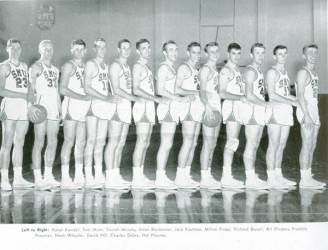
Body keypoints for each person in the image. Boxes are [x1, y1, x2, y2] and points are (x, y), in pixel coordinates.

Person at [155, 40, 193, 189]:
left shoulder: (172, 68)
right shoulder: (164, 68)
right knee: (166, 143)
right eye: (171, 50)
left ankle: (162, 176)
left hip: (173, 108)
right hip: (167, 109)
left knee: (168, 144)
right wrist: (180, 99)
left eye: (176, 49)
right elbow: (160, 90)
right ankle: (159, 177)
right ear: (164, 52)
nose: (174, 52)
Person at [131, 38, 167, 189]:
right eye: (143, 48)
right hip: (143, 106)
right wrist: (155, 99)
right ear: (138, 51)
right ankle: (136, 177)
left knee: (146, 143)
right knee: (141, 142)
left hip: (149, 106)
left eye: (148, 47)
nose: (147, 50)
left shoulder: (146, 67)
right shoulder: (138, 66)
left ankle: (140, 174)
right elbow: (136, 89)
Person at [0, 38, 34, 190]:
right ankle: (4, 179)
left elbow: (28, 90)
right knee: (7, 144)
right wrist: (21, 95)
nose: (15, 51)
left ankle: (19, 178)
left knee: (19, 143)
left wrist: (29, 102)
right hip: (10, 105)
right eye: (12, 48)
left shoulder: (25, 66)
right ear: (7, 49)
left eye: (18, 48)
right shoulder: (3, 66)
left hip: (22, 107)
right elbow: (1, 90)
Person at [105, 39, 138, 189]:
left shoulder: (126, 66)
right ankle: (109, 177)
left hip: (125, 106)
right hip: (117, 106)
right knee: (113, 142)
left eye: (127, 48)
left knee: (121, 143)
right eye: (123, 48)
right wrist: (134, 98)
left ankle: (116, 174)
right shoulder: (115, 65)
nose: (125, 50)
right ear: (118, 50)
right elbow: (116, 89)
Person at [83, 38, 116, 188]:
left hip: (103, 106)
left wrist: (110, 97)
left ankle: (98, 173)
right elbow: (87, 88)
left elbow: (107, 88)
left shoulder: (107, 66)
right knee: (91, 141)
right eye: (99, 47)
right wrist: (105, 98)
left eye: (104, 47)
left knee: (101, 141)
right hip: (92, 105)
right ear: (94, 48)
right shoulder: (91, 64)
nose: (102, 50)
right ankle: (88, 175)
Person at [28, 40, 60, 189]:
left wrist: (60, 111)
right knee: (39, 142)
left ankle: (48, 175)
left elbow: (57, 92)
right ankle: (37, 178)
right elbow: (30, 88)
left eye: (51, 49)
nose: (49, 51)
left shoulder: (55, 69)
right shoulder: (36, 67)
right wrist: (30, 106)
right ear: (40, 50)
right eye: (45, 49)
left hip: (53, 107)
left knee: (53, 142)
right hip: (41, 107)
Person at [59, 39, 91, 189]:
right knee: (69, 141)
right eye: (76, 49)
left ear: (85, 51)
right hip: (72, 106)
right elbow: (62, 89)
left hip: (84, 107)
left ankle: (79, 174)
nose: (78, 51)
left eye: (81, 49)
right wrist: (82, 97)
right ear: (71, 50)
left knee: (81, 142)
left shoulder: (87, 67)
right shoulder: (68, 66)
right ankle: (65, 178)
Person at [265, 45, 298, 188]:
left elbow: (285, 93)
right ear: (274, 56)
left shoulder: (285, 72)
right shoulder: (272, 72)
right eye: (280, 54)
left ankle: (278, 176)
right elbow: (271, 94)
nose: (283, 56)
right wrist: (292, 101)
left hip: (285, 110)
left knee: (281, 145)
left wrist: (297, 100)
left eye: (285, 54)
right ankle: (270, 178)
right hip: (275, 110)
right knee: (273, 145)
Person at [242, 43, 272, 189]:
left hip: (259, 109)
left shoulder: (259, 70)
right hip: (252, 110)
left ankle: (252, 175)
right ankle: (249, 178)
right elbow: (248, 94)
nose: (260, 56)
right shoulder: (250, 71)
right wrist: (265, 104)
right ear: (251, 55)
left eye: (262, 53)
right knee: (251, 143)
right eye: (257, 53)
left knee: (255, 144)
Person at [296, 44, 326, 189]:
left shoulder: (314, 73)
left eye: (315, 52)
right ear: (304, 55)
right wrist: (307, 115)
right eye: (310, 52)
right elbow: (300, 95)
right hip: (305, 111)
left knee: (312, 145)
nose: (313, 55)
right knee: (306, 144)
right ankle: (304, 179)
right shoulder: (303, 72)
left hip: (313, 111)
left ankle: (308, 176)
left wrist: (315, 115)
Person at [174, 42, 203, 188]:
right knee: (187, 142)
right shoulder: (184, 68)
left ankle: (186, 174)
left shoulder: (196, 69)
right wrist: (197, 93)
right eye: (193, 52)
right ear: (188, 53)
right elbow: (177, 89)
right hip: (188, 108)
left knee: (194, 143)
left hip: (197, 107)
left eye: (198, 53)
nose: (196, 55)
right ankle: (180, 176)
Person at [219, 43, 247, 189]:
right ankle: (226, 177)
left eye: (238, 53)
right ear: (228, 54)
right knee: (231, 141)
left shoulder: (236, 70)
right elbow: (222, 92)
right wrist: (240, 97)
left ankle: (227, 176)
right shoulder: (226, 70)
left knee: (234, 141)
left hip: (238, 107)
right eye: (234, 53)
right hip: (231, 107)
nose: (236, 56)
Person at [198, 42, 221, 189]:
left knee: (212, 144)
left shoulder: (215, 69)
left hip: (217, 107)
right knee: (207, 144)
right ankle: (204, 178)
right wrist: (207, 106)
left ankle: (209, 174)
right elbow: (201, 90)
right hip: (208, 108)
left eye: (217, 51)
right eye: (212, 52)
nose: (215, 54)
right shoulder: (205, 69)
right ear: (206, 54)